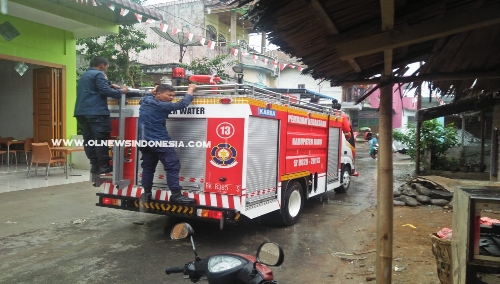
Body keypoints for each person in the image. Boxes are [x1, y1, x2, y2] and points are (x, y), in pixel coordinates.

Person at [138, 83, 200, 204]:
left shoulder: (146, 100)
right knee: (173, 165)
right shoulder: (162, 105)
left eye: (173, 95)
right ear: (159, 94)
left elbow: (147, 95)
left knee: (148, 167)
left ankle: (146, 193)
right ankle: (176, 195)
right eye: (169, 95)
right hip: (159, 141)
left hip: (144, 141)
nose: (171, 97)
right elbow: (182, 104)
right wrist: (190, 89)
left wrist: (153, 90)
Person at [74, 56, 129, 174]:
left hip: (82, 112)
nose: (106, 69)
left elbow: (94, 88)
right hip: (96, 112)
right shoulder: (99, 74)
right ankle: (104, 166)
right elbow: (105, 91)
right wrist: (121, 91)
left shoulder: (85, 75)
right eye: (107, 67)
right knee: (101, 139)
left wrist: (109, 84)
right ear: (102, 65)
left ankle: (95, 166)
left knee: (89, 140)